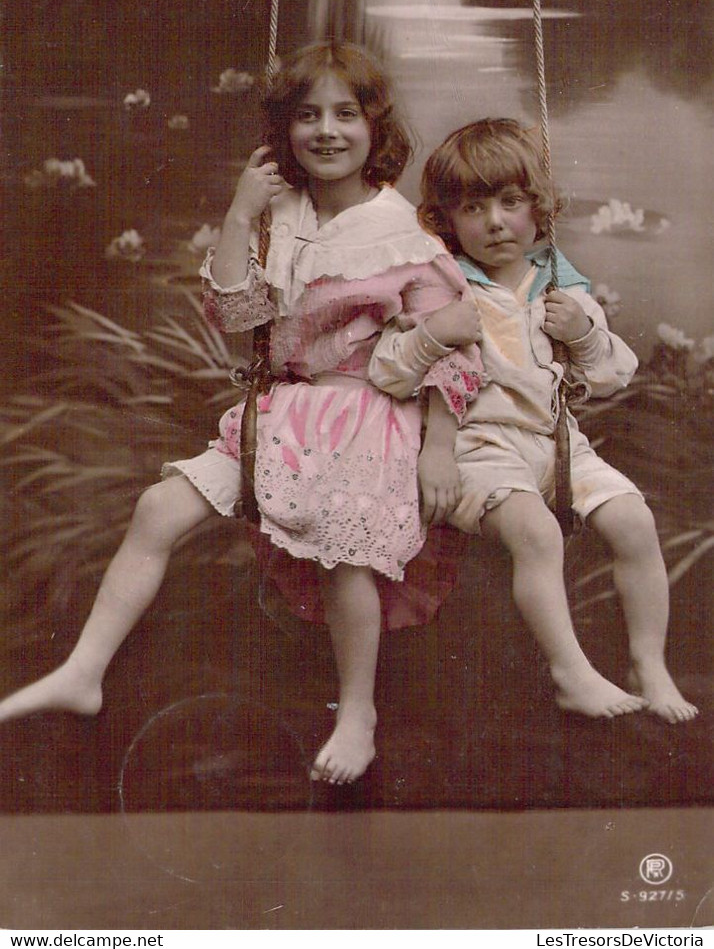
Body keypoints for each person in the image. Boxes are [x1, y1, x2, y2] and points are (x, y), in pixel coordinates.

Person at [0, 43, 483, 783]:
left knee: (344, 555)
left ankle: (359, 713)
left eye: (346, 115)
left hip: (369, 413)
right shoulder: (276, 214)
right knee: (159, 508)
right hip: (282, 415)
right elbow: (237, 314)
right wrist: (238, 213)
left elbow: (452, 348)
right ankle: (84, 670)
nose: (326, 132)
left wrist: (440, 449)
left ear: (374, 127)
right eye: (307, 116)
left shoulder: (403, 234)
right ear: (283, 131)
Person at [370, 117, 698, 724]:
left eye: (511, 202)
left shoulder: (557, 285)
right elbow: (388, 372)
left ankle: (648, 663)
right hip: (479, 450)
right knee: (537, 535)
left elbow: (608, 378)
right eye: (474, 207)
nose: (495, 221)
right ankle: (570, 672)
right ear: (446, 219)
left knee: (634, 520)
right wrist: (436, 336)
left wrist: (584, 333)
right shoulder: (438, 289)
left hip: (560, 446)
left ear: (536, 209)